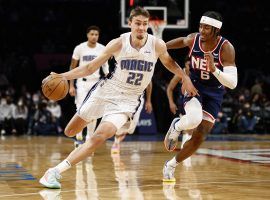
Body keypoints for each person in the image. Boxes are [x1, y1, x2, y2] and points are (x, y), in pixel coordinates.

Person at [39, 6, 198, 189]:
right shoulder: (118, 43)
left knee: (99, 136)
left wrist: (185, 77)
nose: (141, 28)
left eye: (145, 24)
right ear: (129, 23)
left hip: (127, 102)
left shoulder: (157, 45)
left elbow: (170, 63)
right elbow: (90, 68)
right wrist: (63, 76)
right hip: (105, 91)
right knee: (70, 131)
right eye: (137, 23)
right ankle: (76, 139)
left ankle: (54, 172)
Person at [163, 11, 238, 182]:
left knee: (200, 136)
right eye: (201, 26)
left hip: (215, 92)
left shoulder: (226, 48)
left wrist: (214, 70)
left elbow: (232, 84)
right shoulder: (194, 39)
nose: (202, 31)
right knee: (194, 119)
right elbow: (181, 41)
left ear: (216, 30)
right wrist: (161, 46)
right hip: (195, 86)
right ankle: (177, 125)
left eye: (206, 28)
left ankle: (171, 165)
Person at [69, 25, 109, 147]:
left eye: (96, 34)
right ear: (87, 35)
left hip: (96, 82)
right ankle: (78, 136)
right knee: (81, 109)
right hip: (82, 82)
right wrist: (71, 85)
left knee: (94, 111)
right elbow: (72, 67)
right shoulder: (79, 48)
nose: (94, 36)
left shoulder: (102, 48)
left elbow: (105, 67)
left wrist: (108, 81)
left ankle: (89, 139)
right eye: (92, 34)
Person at [111, 82, 153, 154]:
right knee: (121, 123)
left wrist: (148, 101)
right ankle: (116, 142)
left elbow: (149, 83)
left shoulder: (146, 71)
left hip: (138, 99)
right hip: (124, 98)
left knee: (131, 130)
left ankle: (124, 132)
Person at [166, 57, 193, 167]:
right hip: (183, 102)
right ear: (185, 64)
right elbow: (169, 88)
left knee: (192, 128)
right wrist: (171, 102)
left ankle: (185, 148)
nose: (190, 66)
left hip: (195, 101)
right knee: (189, 128)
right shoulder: (181, 73)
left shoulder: (197, 73)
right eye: (188, 64)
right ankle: (185, 150)